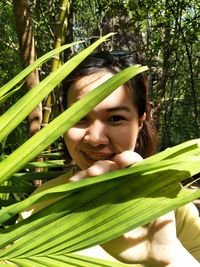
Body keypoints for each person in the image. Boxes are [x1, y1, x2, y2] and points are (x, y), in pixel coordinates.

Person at [22, 51, 200, 266]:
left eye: (116, 118)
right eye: (79, 117)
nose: (95, 138)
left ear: (141, 120)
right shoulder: (40, 205)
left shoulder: (171, 205)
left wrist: (169, 257)